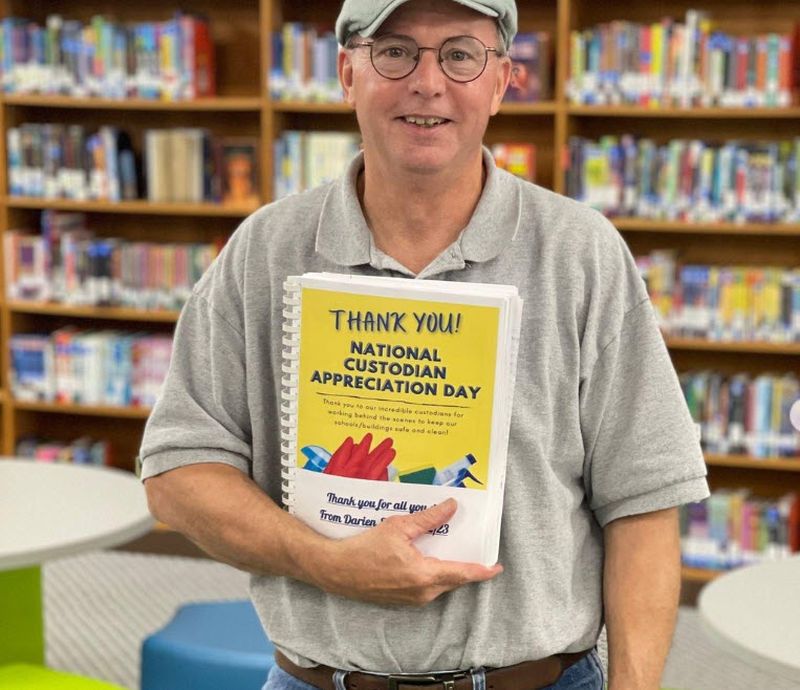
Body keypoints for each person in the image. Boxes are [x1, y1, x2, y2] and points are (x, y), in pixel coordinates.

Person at [140, 1, 710, 688]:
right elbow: (178, 474)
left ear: (501, 82)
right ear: (348, 74)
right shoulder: (265, 252)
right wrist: (327, 561)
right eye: (396, 51)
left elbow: (644, 499)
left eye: (461, 54)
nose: (429, 82)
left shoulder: (580, 253)